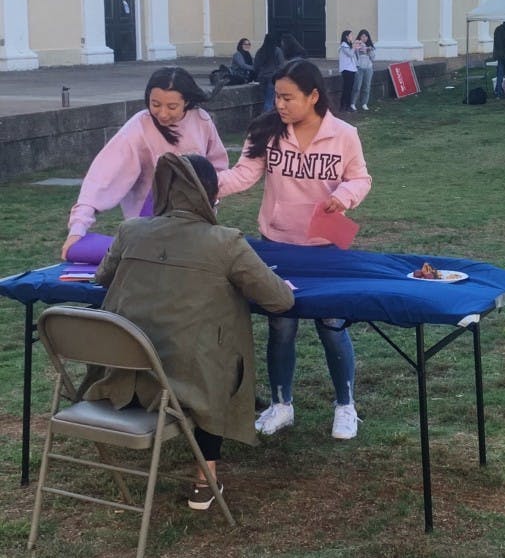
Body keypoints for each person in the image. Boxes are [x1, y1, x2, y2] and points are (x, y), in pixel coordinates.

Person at [85, 153, 294, 510]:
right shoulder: (225, 242)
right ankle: (205, 475)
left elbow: (101, 277)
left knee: (199, 353)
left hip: (122, 375)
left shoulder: (131, 230)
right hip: (186, 385)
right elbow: (280, 300)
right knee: (215, 359)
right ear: (210, 194)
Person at [218, 59, 372, 440]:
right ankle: (281, 404)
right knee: (280, 326)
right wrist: (199, 182)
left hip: (324, 247)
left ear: (313, 96)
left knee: (332, 325)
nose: (280, 104)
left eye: (288, 97)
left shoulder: (344, 135)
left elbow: (360, 178)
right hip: (278, 244)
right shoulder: (268, 131)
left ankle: (346, 406)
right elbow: (242, 176)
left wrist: (344, 197)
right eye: (277, 96)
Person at [60, 67, 228, 260]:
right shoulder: (138, 128)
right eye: (155, 104)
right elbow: (102, 177)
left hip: (195, 223)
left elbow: (217, 168)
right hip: (149, 224)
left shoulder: (201, 119)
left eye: (172, 107)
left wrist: (212, 200)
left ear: (187, 102)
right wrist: (78, 228)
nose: (163, 114)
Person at [253, 32, 285, 112]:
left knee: (265, 100)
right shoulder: (277, 51)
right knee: (270, 101)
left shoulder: (260, 51)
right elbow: (281, 65)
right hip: (272, 78)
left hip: (262, 77)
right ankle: (268, 119)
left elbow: (256, 66)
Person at [351, 28, 375, 111]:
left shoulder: (370, 47)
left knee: (366, 86)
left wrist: (369, 51)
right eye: (363, 36)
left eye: (366, 36)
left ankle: (364, 103)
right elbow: (353, 55)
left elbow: (373, 58)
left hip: (368, 68)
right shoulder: (356, 45)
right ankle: (353, 103)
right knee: (357, 86)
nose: (364, 38)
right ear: (359, 37)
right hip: (359, 68)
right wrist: (358, 47)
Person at [337, 29, 358, 112]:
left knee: (350, 88)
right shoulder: (344, 45)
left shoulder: (349, 45)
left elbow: (354, 56)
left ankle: (347, 105)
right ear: (346, 36)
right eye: (351, 35)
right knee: (346, 88)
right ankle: (343, 105)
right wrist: (353, 47)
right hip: (346, 69)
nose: (352, 37)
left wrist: (355, 47)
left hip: (352, 69)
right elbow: (350, 54)